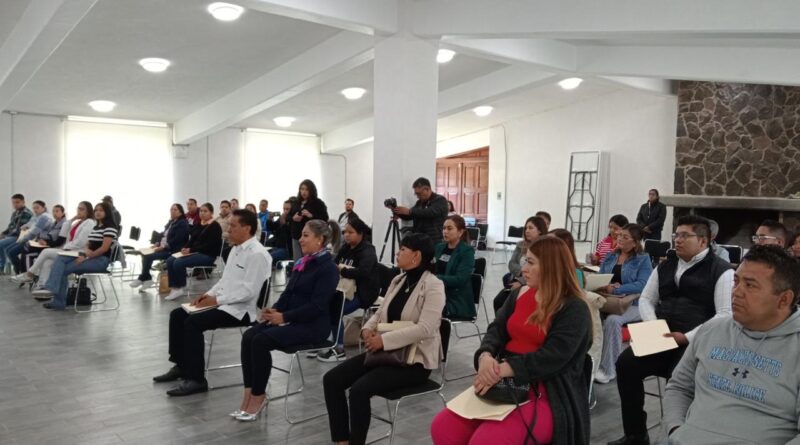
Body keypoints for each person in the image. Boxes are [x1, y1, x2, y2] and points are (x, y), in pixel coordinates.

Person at [430, 236, 593, 445]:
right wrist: (485, 356)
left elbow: (554, 357)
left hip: (547, 391)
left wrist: (501, 369)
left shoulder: (574, 308)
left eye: (531, 262)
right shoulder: (519, 294)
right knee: (443, 428)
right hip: (506, 381)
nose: (523, 269)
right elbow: (496, 330)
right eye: (525, 261)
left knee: (486, 442)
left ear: (551, 266)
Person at [608, 215, 734, 445]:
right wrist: (653, 326)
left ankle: (675, 438)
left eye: (685, 235)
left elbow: (725, 314)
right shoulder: (666, 265)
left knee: (679, 380)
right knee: (625, 364)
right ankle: (636, 435)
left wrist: (686, 337)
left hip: (696, 343)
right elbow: (646, 299)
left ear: (703, 241)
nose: (678, 240)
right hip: (661, 337)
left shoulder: (722, 270)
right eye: (676, 234)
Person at [663, 245, 800, 445]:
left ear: (784, 299)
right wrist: (675, 429)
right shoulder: (712, 329)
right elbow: (679, 387)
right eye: (736, 281)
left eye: (750, 285)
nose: (736, 292)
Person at [324, 233, 445, 445]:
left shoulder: (434, 285)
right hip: (386, 353)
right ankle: (342, 440)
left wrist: (383, 341)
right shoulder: (398, 280)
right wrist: (367, 329)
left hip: (414, 361)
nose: (397, 253)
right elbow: (380, 313)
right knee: (332, 380)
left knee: (359, 390)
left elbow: (425, 328)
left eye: (403, 249)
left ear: (416, 256)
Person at [153, 209, 271, 396]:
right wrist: (206, 295)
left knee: (193, 323)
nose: (228, 230)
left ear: (247, 228)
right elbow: (225, 280)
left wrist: (216, 300)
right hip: (223, 302)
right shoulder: (235, 249)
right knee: (177, 315)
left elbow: (249, 292)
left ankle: (197, 379)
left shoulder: (257, 254)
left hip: (239, 311)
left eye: (233, 226)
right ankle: (181, 366)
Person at [233, 219, 338, 420]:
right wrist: (275, 310)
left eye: (306, 235)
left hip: (313, 326)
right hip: (294, 319)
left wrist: (284, 317)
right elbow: (288, 294)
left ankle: (258, 395)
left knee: (260, 341)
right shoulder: (303, 262)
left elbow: (317, 306)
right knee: (249, 336)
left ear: (320, 240)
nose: (300, 239)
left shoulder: (328, 268)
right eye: (301, 235)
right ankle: (249, 392)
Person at [594, 224, 653, 384]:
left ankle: (608, 370)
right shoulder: (611, 256)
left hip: (634, 304)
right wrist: (603, 285)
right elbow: (601, 276)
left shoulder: (643, 259)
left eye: (625, 237)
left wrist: (617, 289)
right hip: (609, 301)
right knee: (587, 314)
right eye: (620, 235)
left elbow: (643, 284)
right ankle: (589, 363)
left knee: (613, 320)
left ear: (635, 242)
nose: (619, 238)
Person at [32, 202, 119, 310]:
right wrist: (84, 254)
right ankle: (54, 293)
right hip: (90, 257)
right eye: (96, 210)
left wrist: (86, 256)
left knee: (61, 269)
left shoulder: (110, 227)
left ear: (107, 212)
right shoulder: (97, 227)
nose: (97, 212)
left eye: (101, 210)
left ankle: (55, 296)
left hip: (101, 261)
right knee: (61, 260)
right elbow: (88, 245)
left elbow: (104, 248)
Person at [317, 218, 378, 362]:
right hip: (344, 290)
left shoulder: (368, 250)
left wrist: (342, 270)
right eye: (345, 232)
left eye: (351, 232)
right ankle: (320, 341)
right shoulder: (346, 248)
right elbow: (334, 264)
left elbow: (363, 272)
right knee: (321, 305)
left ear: (360, 233)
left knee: (336, 310)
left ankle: (339, 349)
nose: (346, 235)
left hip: (363, 293)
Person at [12, 201, 94, 290]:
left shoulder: (89, 222)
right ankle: (42, 286)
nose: (79, 211)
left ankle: (30, 274)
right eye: (78, 208)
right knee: (47, 262)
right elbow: (65, 229)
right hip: (70, 250)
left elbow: (80, 242)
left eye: (82, 209)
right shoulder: (77, 222)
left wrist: (66, 247)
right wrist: (73, 219)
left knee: (46, 252)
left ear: (88, 211)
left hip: (77, 252)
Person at [163, 202, 224, 301]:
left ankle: (180, 287)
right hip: (195, 252)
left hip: (207, 255)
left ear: (211, 213)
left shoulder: (215, 226)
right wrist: (185, 248)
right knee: (170, 260)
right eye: (201, 211)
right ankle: (174, 287)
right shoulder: (199, 224)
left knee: (178, 262)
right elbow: (191, 240)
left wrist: (191, 250)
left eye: (205, 211)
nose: (202, 213)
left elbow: (209, 245)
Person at [494, 216, 549, 312]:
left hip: (532, 283)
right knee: (498, 301)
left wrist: (521, 282)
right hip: (517, 278)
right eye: (526, 228)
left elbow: (541, 271)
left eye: (531, 228)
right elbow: (512, 263)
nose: (527, 231)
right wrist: (522, 273)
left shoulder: (545, 247)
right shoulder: (520, 245)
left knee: (510, 304)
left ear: (540, 231)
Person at [129, 204, 190, 290]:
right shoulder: (171, 222)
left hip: (172, 250)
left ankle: (144, 278)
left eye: (175, 210)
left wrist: (164, 246)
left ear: (180, 212)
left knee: (148, 256)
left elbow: (178, 239)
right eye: (171, 209)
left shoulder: (182, 223)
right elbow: (162, 234)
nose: (172, 211)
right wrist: (157, 243)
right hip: (163, 247)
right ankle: (146, 278)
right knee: (144, 253)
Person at [436, 215, 476, 320]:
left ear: (460, 232)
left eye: (449, 228)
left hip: (456, 299)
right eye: (444, 228)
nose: (445, 231)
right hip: (437, 292)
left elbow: (460, 279)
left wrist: (435, 278)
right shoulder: (439, 247)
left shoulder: (466, 251)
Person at [392, 177, 449, 243]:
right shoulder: (419, 203)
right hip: (420, 238)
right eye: (416, 194)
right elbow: (410, 216)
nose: (417, 196)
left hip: (434, 239)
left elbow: (429, 212)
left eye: (419, 193)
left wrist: (409, 211)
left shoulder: (440, 200)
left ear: (427, 189)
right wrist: (397, 211)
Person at [13, 204, 66, 274]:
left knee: (26, 253)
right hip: (47, 244)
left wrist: (46, 242)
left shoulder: (63, 224)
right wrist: (42, 240)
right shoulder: (55, 223)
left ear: (63, 213)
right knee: (25, 249)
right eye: (53, 211)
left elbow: (59, 241)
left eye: (57, 211)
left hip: (54, 247)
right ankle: (23, 274)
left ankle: (28, 275)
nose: (54, 213)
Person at [2, 200, 54, 272]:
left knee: (11, 252)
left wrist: (22, 239)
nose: (35, 210)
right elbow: (30, 223)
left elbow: (34, 232)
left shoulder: (44, 217)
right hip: (31, 239)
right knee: (8, 250)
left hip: (37, 242)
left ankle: (20, 271)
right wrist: (26, 226)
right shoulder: (37, 216)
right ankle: (19, 271)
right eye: (34, 208)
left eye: (37, 208)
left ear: (44, 208)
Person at [289, 179, 329, 261]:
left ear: (311, 190)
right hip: (296, 237)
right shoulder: (296, 202)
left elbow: (325, 218)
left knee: (308, 261)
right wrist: (293, 218)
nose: (304, 192)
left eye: (306, 189)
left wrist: (311, 216)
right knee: (297, 261)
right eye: (302, 189)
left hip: (310, 237)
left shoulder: (318, 203)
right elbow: (288, 217)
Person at [266, 199, 293, 265]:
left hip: (286, 249)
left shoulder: (293, 219)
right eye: (284, 209)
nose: (285, 211)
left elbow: (289, 234)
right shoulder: (282, 217)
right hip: (277, 246)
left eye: (287, 209)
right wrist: (269, 219)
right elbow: (272, 229)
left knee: (266, 258)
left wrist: (284, 224)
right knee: (262, 254)